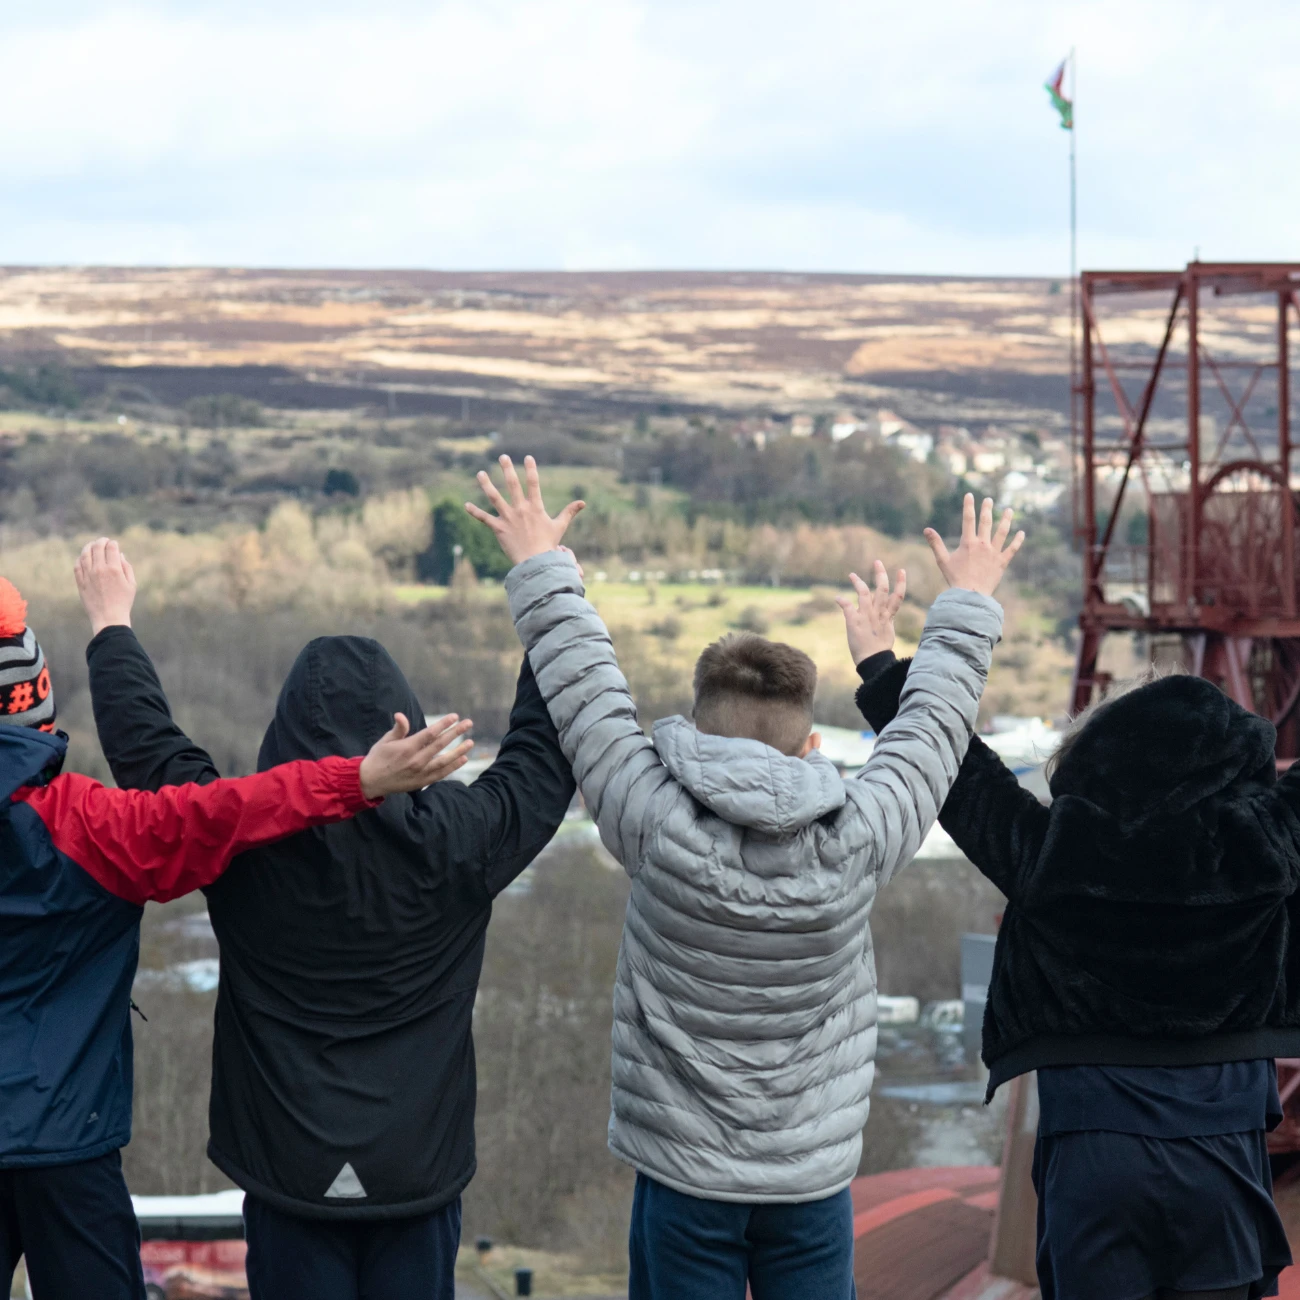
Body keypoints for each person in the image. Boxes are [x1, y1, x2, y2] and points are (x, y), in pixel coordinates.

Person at [465, 456, 1021, 1300]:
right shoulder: (861, 836)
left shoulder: (651, 818)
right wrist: (967, 602)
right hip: (809, 1183)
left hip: (683, 1179)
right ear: (810, 745)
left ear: (695, 731)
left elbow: (586, 691)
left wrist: (543, 564)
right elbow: (933, 728)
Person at [78, 537, 577, 1300]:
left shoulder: (242, 846)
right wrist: (549, 583)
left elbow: (150, 756)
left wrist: (112, 625)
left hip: (288, 1172)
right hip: (418, 1169)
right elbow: (543, 755)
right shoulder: (461, 842)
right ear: (400, 726)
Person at [0, 569, 471, 1300]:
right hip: (67, 1141)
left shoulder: (97, 821)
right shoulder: (94, 826)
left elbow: (173, 768)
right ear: (33, 695)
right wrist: (356, 782)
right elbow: (227, 812)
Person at [854, 632, 1300, 1298]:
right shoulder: (1265, 843)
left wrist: (884, 668)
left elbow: (959, 773)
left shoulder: (1055, 848)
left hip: (1092, 1152)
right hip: (1223, 1154)